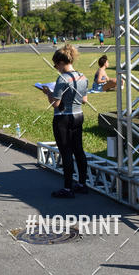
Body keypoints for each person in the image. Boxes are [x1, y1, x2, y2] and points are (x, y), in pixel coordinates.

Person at [42, 44, 88, 198]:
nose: (56, 68)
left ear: (61, 63)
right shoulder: (82, 77)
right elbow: (84, 100)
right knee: (79, 150)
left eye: (56, 65)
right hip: (78, 115)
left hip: (63, 118)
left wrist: (48, 93)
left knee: (66, 152)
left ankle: (67, 188)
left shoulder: (62, 79)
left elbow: (55, 103)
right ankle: (82, 184)